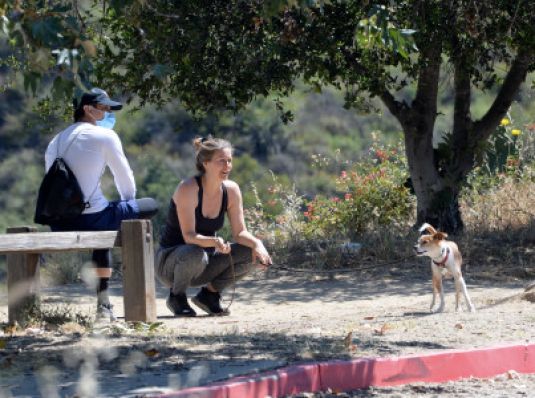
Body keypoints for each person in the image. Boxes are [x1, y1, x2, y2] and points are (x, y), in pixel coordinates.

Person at [44, 88, 158, 321]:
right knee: (148, 205)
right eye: (104, 108)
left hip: (58, 223)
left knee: (103, 218)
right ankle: (103, 305)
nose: (108, 113)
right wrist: (129, 209)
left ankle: (104, 304)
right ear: (87, 109)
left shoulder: (55, 142)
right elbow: (125, 179)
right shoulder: (105, 137)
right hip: (91, 220)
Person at [156, 136, 272, 317]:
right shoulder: (188, 189)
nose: (227, 166)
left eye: (229, 161)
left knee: (249, 251)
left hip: (204, 261)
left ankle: (209, 295)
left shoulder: (232, 190)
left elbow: (240, 233)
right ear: (205, 163)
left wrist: (258, 245)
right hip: (171, 264)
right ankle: (176, 296)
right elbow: (189, 237)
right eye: (221, 161)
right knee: (195, 252)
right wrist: (214, 241)